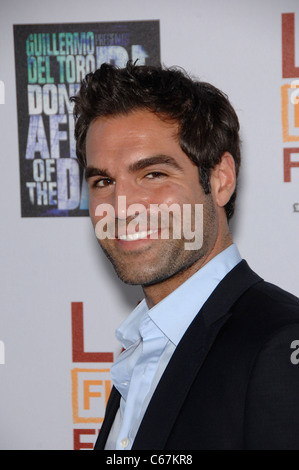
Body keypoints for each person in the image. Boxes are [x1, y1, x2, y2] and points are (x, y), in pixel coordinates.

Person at [71, 62, 299, 450]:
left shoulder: (278, 345)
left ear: (220, 179)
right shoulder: (145, 344)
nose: (121, 207)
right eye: (104, 181)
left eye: (153, 174)